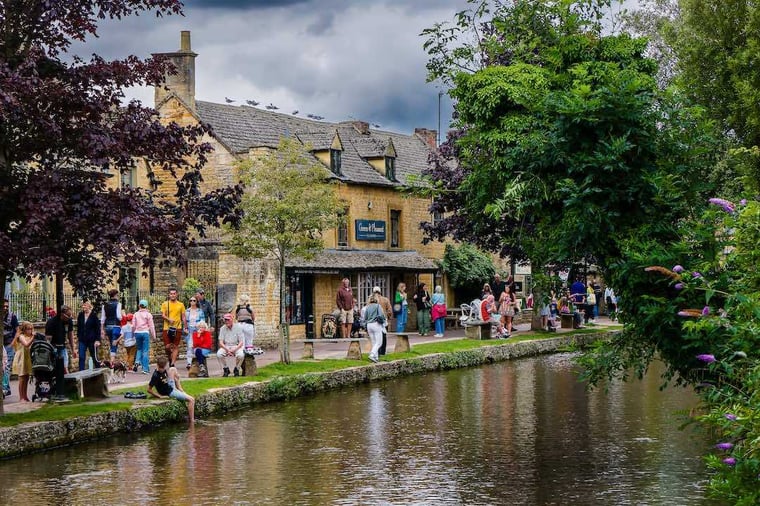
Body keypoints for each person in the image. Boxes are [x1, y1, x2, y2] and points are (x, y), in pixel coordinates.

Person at [147, 356, 195, 423]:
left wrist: (176, 378)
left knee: (173, 369)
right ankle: (192, 420)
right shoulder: (155, 375)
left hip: (170, 386)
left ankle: (180, 389)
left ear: (157, 364)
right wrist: (160, 396)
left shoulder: (164, 370)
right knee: (191, 400)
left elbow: (167, 378)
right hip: (170, 392)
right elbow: (149, 390)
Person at [45, 304, 76, 398]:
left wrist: (73, 349)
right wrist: (50, 352)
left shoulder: (68, 321)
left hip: (62, 346)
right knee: (55, 369)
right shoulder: (51, 322)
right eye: (68, 316)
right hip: (53, 346)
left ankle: (67, 389)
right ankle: (56, 389)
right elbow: (48, 339)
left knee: (65, 368)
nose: (69, 318)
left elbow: (70, 335)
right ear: (61, 314)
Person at [161, 288, 186, 367]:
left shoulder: (181, 304)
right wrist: (169, 319)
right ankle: (170, 358)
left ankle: (172, 364)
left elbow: (183, 317)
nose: (172, 295)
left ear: (177, 294)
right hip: (167, 328)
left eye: (174, 293)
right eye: (171, 294)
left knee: (175, 346)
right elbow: (163, 315)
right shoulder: (165, 304)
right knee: (167, 347)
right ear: (169, 295)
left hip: (177, 327)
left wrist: (185, 326)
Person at [11, 321, 34, 402]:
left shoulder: (30, 336)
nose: (30, 331)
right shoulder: (21, 336)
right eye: (28, 329)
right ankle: (21, 397)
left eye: (31, 329)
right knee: (22, 378)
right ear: (24, 330)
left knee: (26, 377)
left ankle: (25, 396)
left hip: (27, 358)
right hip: (21, 358)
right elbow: (26, 344)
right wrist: (33, 338)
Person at [77, 300, 102, 371]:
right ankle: (81, 373)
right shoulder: (80, 315)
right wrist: (79, 336)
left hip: (92, 340)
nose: (83, 306)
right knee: (81, 357)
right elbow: (79, 327)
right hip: (82, 339)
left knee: (94, 356)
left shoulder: (94, 316)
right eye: (83, 305)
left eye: (85, 305)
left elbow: (98, 329)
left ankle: (98, 370)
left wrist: (97, 340)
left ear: (89, 306)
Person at [133, 300, 155, 374]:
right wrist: (154, 336)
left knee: (139, 349)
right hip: (145, 332)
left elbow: (133, 325)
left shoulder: (135, 314)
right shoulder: (148, 315)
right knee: (145, 351)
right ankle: (145, 369)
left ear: (139, 305)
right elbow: (151, 326)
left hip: (137, 333)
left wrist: (134, 333)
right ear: (146, 306)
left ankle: (137, 362)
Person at [2, 298, 19, 397]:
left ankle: (4, 388)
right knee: (2, 368)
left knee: (7, 367)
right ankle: (7, 388)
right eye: (4, 306)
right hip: (1, 345)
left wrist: (13, 343)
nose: (5, 308)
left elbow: (18, 330)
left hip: (9, 345)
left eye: (7, 306)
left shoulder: (12, 316)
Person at [362, 294, 385, 363]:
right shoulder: (378, 306)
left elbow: (365, 318)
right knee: (379, 342)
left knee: (374, 342)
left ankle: (376, 357)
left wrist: (365, 327)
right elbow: (381, 315)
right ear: (376, 299)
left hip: (369, 325)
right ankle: (372, 354)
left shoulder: (367, 307)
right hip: (376, 324)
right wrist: (383, 321)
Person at [184, 296, 206, 370]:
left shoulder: (200, 311)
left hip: (197, 330)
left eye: (194, 300)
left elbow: (203, 321)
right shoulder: (187, 311)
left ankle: (201, 364)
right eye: (191, 300)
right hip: (190, 330)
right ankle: (189, 363)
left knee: (197, 347)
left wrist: (200, 329)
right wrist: (185, 328)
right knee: (189, 347)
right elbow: (184, 322)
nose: (192, 302)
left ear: (196, 302)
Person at [100, 289, 122, 356]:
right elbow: (119, 316)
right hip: (116, 326)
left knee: (111, 343)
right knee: (114, 344)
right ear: (115, 295)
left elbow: (103, 318)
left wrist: (102, 329)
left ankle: (112, 360)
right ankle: (112, 362)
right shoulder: (118, 304)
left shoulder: (105, 305)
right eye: (117, 295)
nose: (118, 296)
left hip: (108, 326)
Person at [373, 286, 392, 355]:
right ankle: (383, 351)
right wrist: (389, 318)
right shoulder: (385, 300)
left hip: (374, 321)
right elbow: (390, 311)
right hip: (384, 321)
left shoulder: (371, 300)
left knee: (376, 337)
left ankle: (377, 351)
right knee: (383, 336)